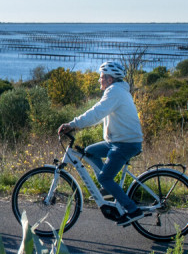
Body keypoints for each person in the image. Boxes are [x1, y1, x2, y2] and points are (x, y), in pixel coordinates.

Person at [58, 61, 145, 226]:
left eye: (101, 77)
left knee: (105, 177)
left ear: (110, 79)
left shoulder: (115, 92)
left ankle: (132, 209)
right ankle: (107, 191)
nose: (99, 80)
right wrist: (77, 125)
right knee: (90, 152)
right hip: (118, 141)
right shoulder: (118, 91)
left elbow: (96, 113)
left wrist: (72, 125)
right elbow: (99, 114)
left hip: (125, 143)